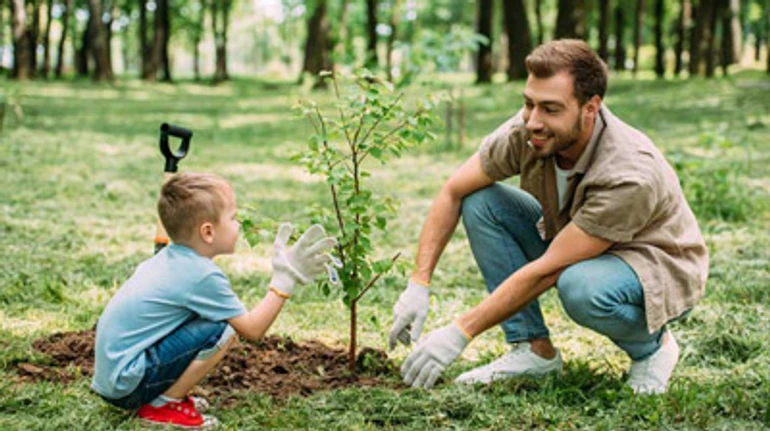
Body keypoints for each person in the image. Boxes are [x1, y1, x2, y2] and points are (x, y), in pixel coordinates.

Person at [389, 40, 709, 394]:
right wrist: (419, 283)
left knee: (580, 286)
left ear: (591, 108)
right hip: (578, 242)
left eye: (551, 109)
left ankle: (653, 349)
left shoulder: (629, 172)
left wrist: (459, 331)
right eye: (529, 103)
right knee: (481, 201)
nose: (534, 121)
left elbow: (551, 269)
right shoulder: (528, 131)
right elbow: (453, 190)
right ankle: (533, 350)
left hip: (653, 266)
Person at [92, 172, 337, 428]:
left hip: (115, 379)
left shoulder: (169, 258)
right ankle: (163, 405)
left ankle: (164, 393)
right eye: (232, 218)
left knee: (209, 319)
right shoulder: (201, 275)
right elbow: (252, 330)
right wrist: (285, 279)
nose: (239, 224)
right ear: (208, 232)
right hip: (128, 385)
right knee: (222, 329)